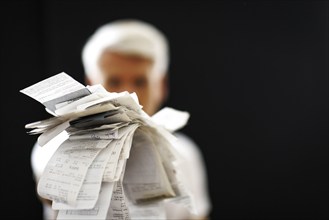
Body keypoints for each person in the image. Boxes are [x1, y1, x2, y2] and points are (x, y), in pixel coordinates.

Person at [31, 19, 212, 220]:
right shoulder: (54, 148)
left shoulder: (186, 153)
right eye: (114, 81)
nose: (128, 94)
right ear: (91, 85)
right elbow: (48, 191)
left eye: (140, 81)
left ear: (161, 86)